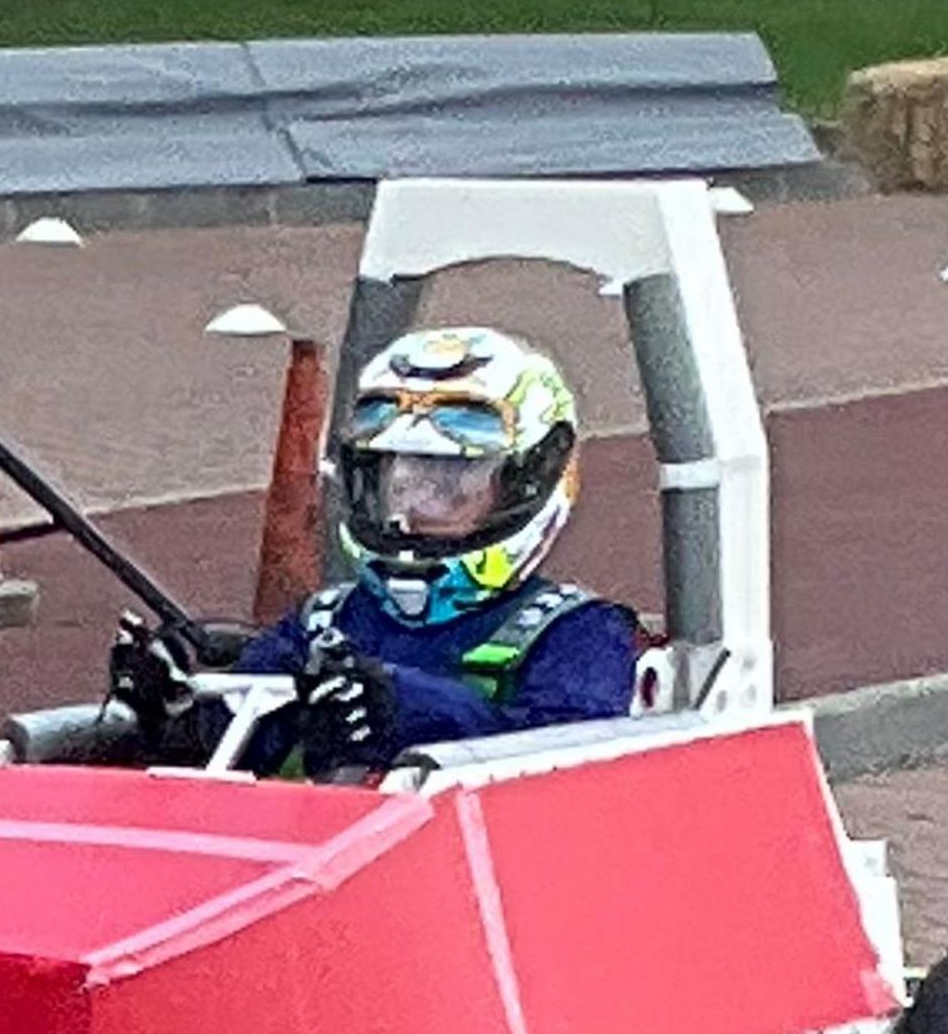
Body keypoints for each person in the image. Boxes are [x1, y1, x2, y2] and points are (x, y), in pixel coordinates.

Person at [112, 326, 640, 778]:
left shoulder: (578, 633)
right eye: (401, 482)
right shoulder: (326, 622)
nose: (415, 505)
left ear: (529, 483)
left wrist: (407, 709)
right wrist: (174, 701)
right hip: (316, 865)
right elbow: (235, 749)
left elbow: (571, 764)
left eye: (450, 485)